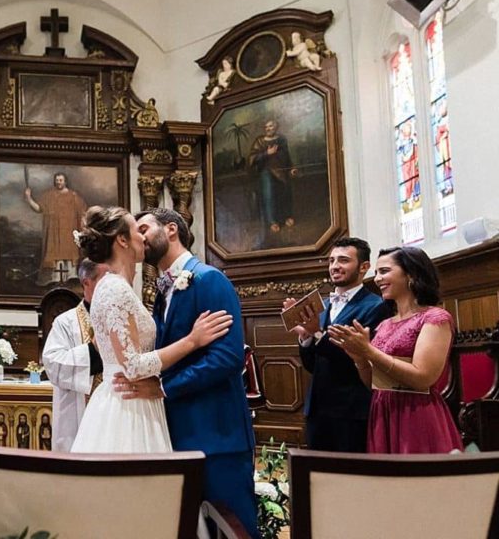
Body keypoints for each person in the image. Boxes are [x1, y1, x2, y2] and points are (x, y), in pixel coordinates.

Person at [115, 208, 258, 538]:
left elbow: (227, 358)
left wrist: (164, 388)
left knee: (233, 527)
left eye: (144, 228)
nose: (139, 236)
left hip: (217, 434)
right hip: (178, 433)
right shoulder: (162, 292)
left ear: (171, 230)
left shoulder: (209, 279)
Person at [70, 205, 233, 454]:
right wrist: (192, 340)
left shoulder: (121, 288)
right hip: (128, 407)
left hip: (143, 403)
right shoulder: (114, 288)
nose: (143, 237)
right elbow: (133, 366)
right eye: (138, 230)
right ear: (122, 240)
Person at [328, 246, 463, 454]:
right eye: (376, 273)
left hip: (416, 413)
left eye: (384, 271)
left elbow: (423, 378)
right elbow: (373, 383)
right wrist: (359, 358)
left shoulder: (435, 318)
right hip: (382, 412)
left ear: (411, 274)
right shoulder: (385, 324)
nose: (376, 279)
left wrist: (369, 352)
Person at [284, 237, 390, 452]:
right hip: (317, 408)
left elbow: (360, 359)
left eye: (343, 260)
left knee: (349, 477)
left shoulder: (376, 307)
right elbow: (314, 365)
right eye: (331, 261)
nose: (335, 266)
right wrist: (305, 338)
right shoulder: (321, 305)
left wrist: (317, 332)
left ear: (364, 267)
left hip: (350, 409)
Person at [42, 258, 107, 452]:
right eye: (105, 279)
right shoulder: (66, 322)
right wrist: (93, 351)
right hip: (77, 413)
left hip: (113, 411)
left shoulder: (121, 318)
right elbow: (53, 364)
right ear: (87, 282)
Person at [24, 172, 87, 285]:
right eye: (57, 180)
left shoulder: (73, 196)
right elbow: (39, 208)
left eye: (61, 180)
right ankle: (54, 278)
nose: (58, 182)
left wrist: (83, 226)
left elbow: (83, 213)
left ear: (65, 181)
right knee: (54, 251)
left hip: (68, 231)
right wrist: (29, 198)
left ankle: (71, 276)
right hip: (54, 232)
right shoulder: (49, 196)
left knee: (69, 250)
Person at [248, 120, 298, 234]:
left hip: (281, 172)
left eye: (270, 126)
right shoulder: (259, 141)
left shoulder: (281, 140)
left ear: (275, 127)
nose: (268, 128)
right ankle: (272, 222)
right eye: (266, 127)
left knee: (285, 192)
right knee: (269, 195)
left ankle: (287, 217)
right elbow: (252, 158)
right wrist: (267, 154)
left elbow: (286, 156)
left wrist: (291, 168)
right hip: (266, 173)